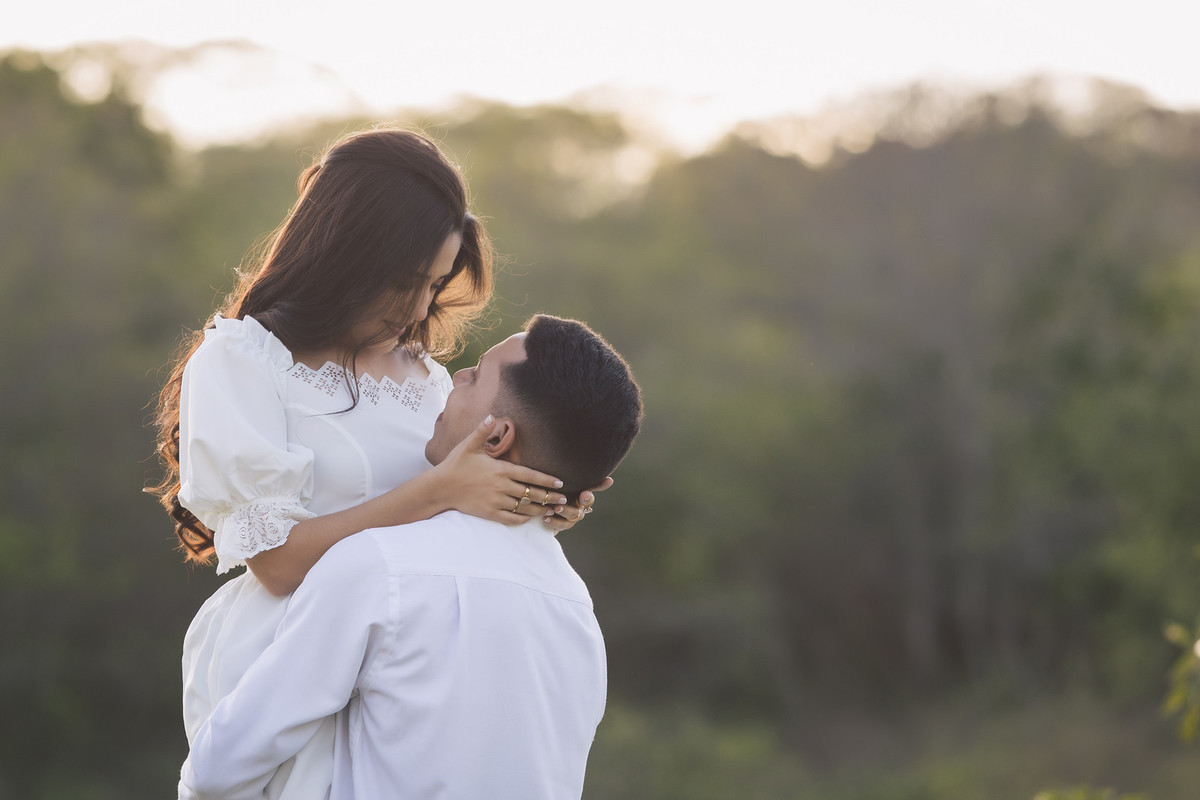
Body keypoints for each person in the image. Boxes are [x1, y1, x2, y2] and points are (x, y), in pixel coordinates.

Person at [149, 129, 603, 799]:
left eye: (434, 284)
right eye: (404, 282)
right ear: (346, 254)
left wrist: (540, 497)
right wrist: (441, 490)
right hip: (288, 666)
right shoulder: (243, 360)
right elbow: (277, 565)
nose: (420, 308)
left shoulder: (425, 378)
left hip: (411, 664)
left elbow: (460, 521)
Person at [179, 314, 643, 800]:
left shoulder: (376, 566)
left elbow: (219, 769)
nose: (453, 377)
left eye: (475, 375)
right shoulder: (577, 608)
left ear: (497, 437)